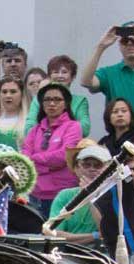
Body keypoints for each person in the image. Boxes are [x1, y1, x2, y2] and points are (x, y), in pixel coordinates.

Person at [82, 22, 134, 139]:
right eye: (125, 41)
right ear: (119, 45)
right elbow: (86, 81)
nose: (129, 44)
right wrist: (100, 47)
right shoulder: (109, 72)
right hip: (120, 141)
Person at [22, 82, 83, 218]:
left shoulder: (73, 127)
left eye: (57, 99)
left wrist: (35, 160)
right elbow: (24, 159)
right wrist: (47, 165)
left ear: (66, 104)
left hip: (61, 194)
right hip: (35, 194)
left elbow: (64, 156)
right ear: (42, 104)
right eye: (47, 99)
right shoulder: (35, 130)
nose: (52, 103)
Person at [24, 55, 91, 137]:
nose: (60, 76)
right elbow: (28, 129)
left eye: (64, 72)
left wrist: (52, 131)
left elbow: (85, 129)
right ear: (49, 76)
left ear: (72, 77)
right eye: (55, 72)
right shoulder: (38, 99)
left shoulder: (80, 101)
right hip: (42, 146)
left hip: (70, 147)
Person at [98, 97, 134, 162]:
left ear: (131, 115)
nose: (120, 114)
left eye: (124, 111)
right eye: (115, 112)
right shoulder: (104, 141)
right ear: (108, 118)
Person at [0, 76, 28, 145]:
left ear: (22, 95)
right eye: (4, 92)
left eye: (13, 92)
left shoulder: (29, 120)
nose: (8, 95)